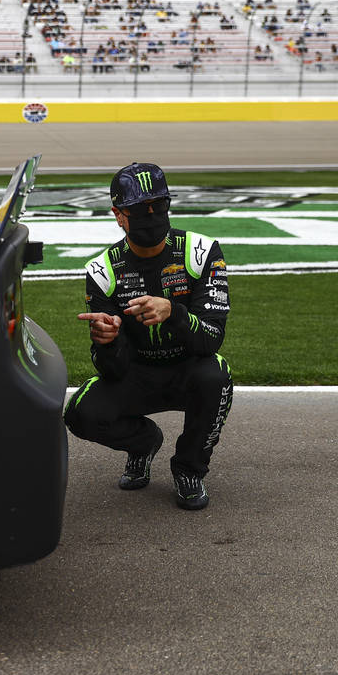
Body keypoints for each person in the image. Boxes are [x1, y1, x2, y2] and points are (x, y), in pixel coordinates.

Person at [64, 163, 232, 510]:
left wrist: (174, 313)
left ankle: (189, 468)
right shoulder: (102, 270)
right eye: (141, 209)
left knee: (217, 373)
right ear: (119, 216)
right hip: (137, 374)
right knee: (80, 412)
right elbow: (113, 370)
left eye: (160, 205)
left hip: (189, 369)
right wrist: (106, 342)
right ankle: (143, 444)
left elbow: (212, 338)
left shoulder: (201, 252)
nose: (152, 215)